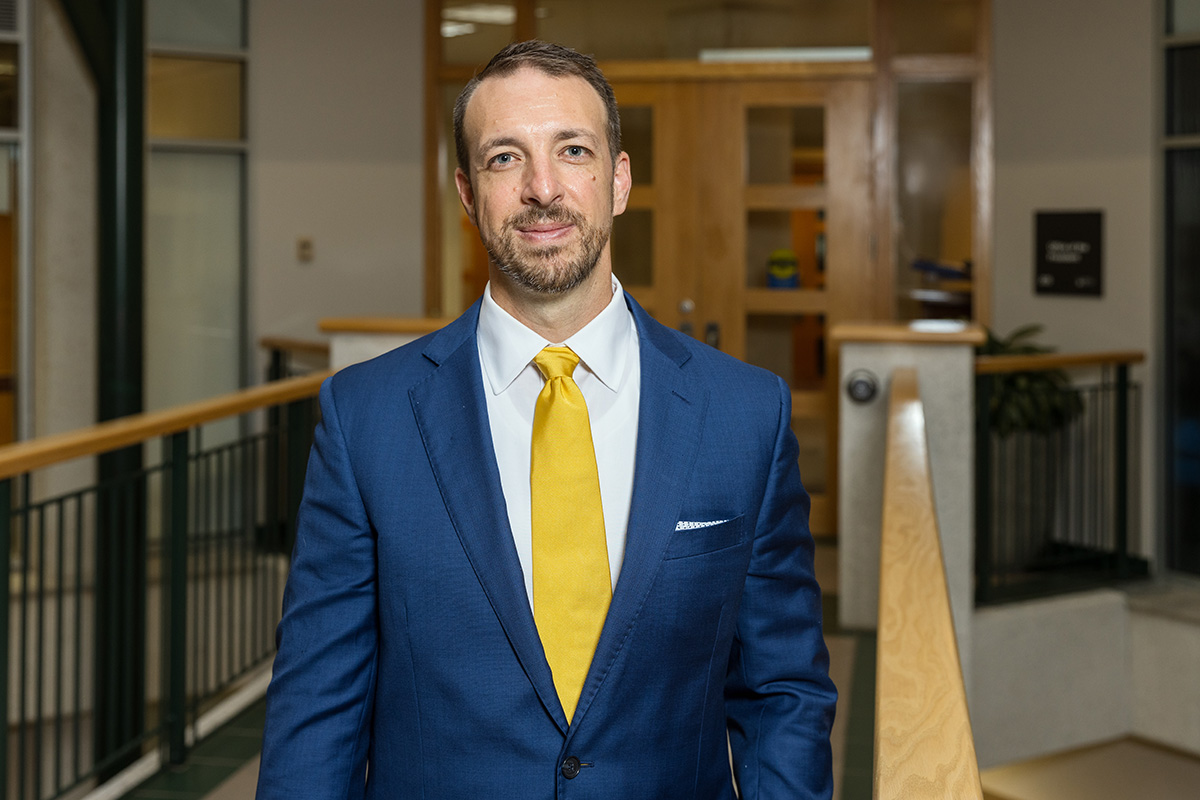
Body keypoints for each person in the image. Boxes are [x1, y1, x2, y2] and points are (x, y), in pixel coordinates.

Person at [257, 40, 835, 799]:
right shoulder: (366, 418)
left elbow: (782, 694)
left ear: (618, 180)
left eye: (572, 150)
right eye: (504, 158)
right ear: (467, 193)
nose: (542, 188)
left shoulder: (745, 414)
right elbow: (315, 712)